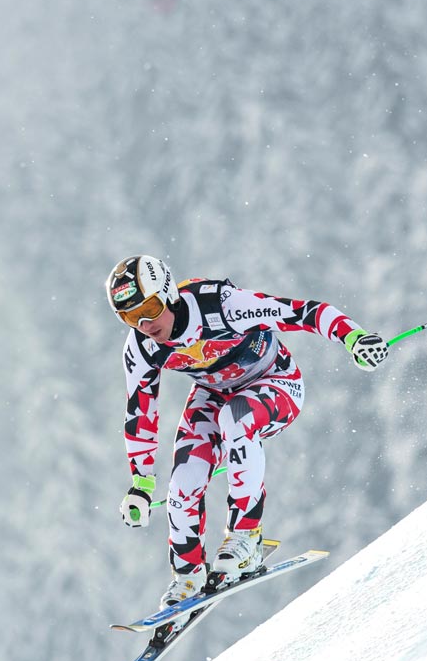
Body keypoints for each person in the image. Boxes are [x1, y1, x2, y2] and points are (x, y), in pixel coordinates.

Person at [105, 254, 388, 619]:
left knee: (235, 420)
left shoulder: (222, 306)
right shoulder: (141, 347)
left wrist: (353, 337)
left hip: (275, 383)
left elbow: (304, 312)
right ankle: (187, 577)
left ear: (168, 293)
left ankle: (246, 537)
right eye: (129, 317)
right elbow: (140, 412)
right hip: (214, 393)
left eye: (151, 308)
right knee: (184, 479)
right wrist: (141, 485)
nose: (144, 324)